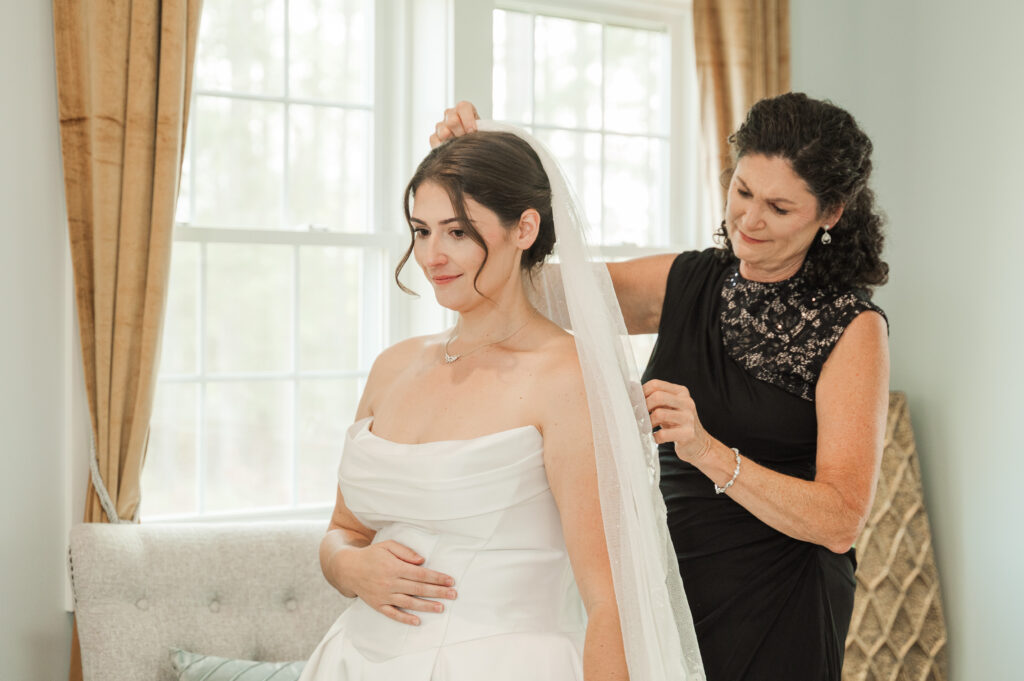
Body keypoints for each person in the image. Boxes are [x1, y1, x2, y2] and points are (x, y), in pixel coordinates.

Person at [433, 92, 890, 681]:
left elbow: (840, 519)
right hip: (664, 581)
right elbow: (536, 289)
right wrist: (468, 184)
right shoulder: (689, 279)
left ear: (830, 214)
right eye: (742, 191)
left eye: (778, 207)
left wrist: (707, 451)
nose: (748, 220)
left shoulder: (854, 330)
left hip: (780, 601)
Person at [299, 126, 705, 680]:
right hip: (352, 661)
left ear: (525, 228)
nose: (432, 255)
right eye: (421, 231)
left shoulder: (568, 377)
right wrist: (350, 567)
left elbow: (610, 601)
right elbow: (343, 528)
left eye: (458, 232)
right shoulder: (392, 366)